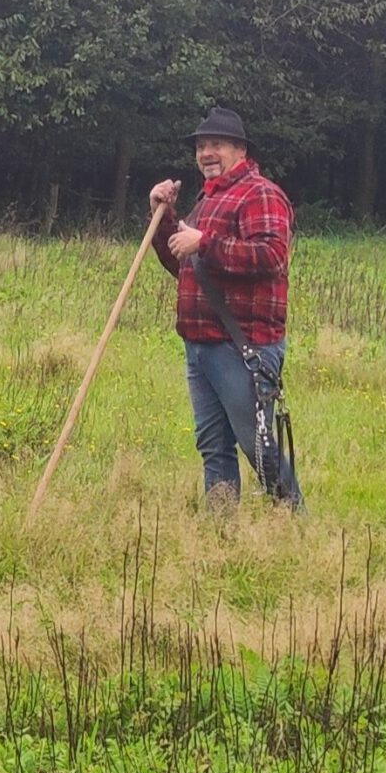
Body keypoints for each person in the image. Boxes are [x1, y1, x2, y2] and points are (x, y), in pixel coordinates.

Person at [146, 105, 299, 505]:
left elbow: (272, 257)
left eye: (216, 145)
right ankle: (221, 532)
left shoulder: (260, 194)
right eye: (201, 146)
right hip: (200, 346)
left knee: (259, 448)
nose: (206, 153)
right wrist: (162, 218)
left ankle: (294, 523)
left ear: (240, 150)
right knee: (213, 447)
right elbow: (183, 266)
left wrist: (205, 243)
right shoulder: (207, 200)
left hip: (242, 346)